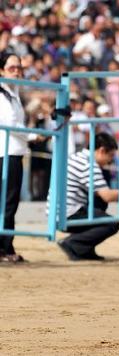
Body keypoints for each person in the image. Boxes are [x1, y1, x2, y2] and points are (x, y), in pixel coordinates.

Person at [56, 132, 119, 261]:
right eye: (111, 155)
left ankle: (84, 249)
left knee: (99, 203)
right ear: (101, 150)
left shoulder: (76, 157)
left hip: (59, 212)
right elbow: (107, 196)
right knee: (111, 224)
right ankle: (73, 243)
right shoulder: (89, 165)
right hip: (68, 213)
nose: (110, 160)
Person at [0, 52, 44, 263]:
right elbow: (11, 124)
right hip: (6, 153)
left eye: (19, 67)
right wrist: (34, 134)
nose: (16, 71)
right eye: (12, 68)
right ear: (1, 70)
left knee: (9, 203)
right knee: (8, 203)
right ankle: (4, 248)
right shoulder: (2, 94)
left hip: (14, 151)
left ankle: (5, 246)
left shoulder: (13, 92)